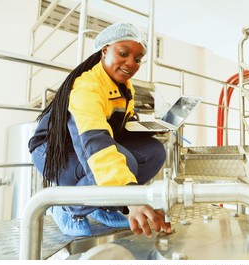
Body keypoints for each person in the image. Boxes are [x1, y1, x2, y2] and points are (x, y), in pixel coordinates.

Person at [28, 22, 171, 237]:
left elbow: (117, 128)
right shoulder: (86, 88)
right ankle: (68, 207)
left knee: (154, 151)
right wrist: (132, 198)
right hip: (52, 151)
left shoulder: (125, 87)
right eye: (124, 53)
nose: (131, 63)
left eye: (138, 59)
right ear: (105, 50)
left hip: (83, 146)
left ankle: (103, 205)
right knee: (124, 160)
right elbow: (95, 144)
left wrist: (147, 130)